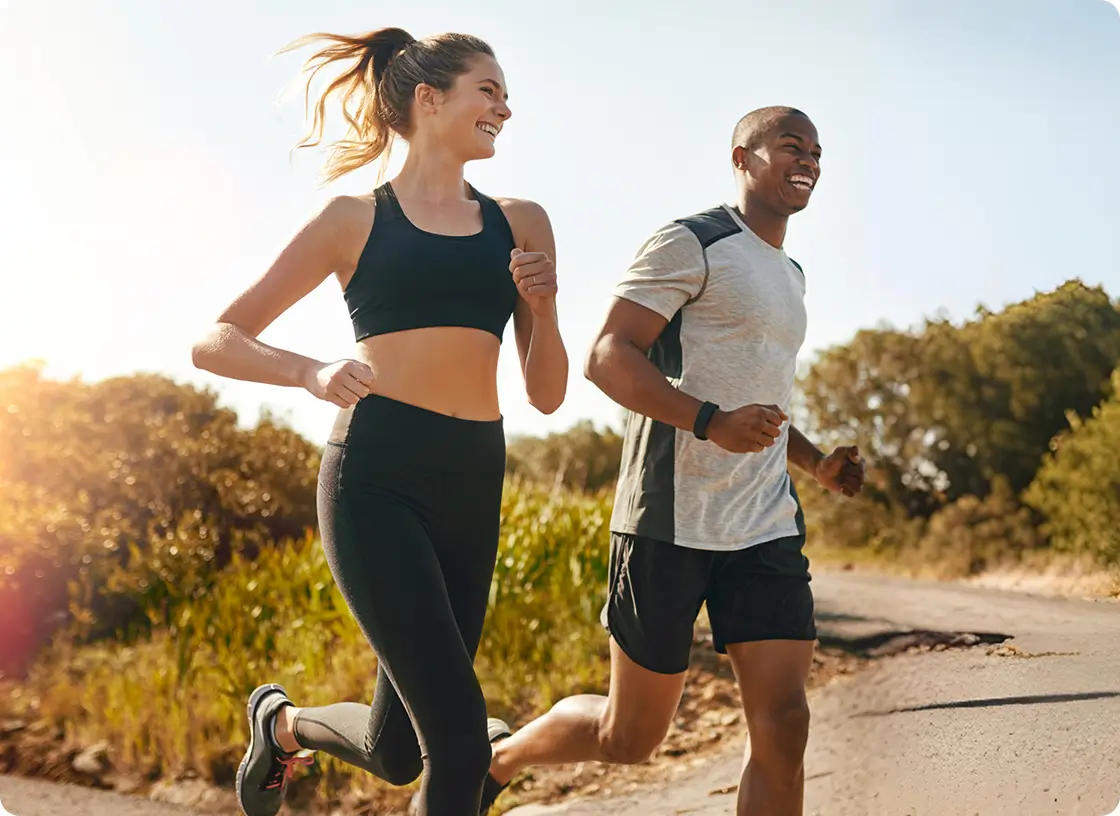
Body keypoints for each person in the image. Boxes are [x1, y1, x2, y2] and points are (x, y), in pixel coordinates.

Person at [190, 25, 569, 816]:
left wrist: (544, 303)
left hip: (474, 476)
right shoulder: (353, 220)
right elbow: (216, 339)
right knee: (463, 740)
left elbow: (547, 394)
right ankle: (289, 726)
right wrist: (309, 371)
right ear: (431, 100)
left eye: (505, 93)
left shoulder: (520, 221)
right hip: (375, 478)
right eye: (488, 90)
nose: (506, 106)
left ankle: (280, 724)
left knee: (399, 751)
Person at [481, 107, 865, 816]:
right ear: (742, 157)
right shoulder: (693, 240)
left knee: (783, 725)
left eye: (817, 151)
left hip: (763, 524)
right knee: (629, 738)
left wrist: (813, 464)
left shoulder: (793, 274)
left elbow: (765, 396)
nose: (809, 159)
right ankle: (498, 759)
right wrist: (709, 423)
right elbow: (606, 356)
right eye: (791, 146)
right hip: (667, 520)